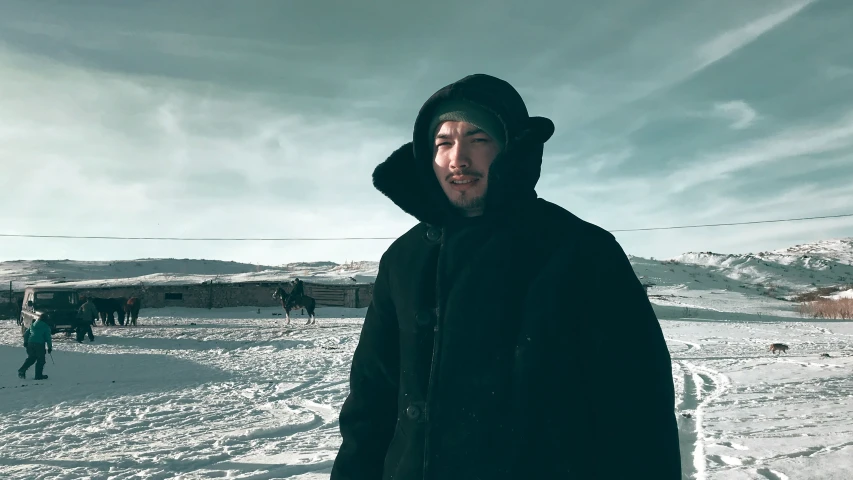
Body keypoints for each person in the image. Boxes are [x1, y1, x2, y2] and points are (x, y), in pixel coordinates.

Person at [330, 74, 681, 479]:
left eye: (478, 139)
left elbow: (637, 407)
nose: (457, 159)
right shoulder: (403, 259)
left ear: (510, 146)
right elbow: (371, 402)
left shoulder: (580, 250)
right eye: (443, 143)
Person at [18, 313, 53, 380]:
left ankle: (22, 370)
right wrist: (49, 347)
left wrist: (25, 342)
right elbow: (48, 338)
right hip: (39, 344)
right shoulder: (46, 327)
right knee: (41, 360)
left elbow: (26, 334)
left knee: (31, 358)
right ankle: (38, 375)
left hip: (30, 343)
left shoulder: (33, 324)